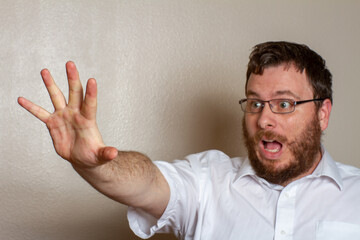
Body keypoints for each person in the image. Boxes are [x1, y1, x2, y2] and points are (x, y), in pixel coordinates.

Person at [18, 41, 360, 239]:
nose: (264, 119)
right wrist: (94, 163)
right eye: (255, 103)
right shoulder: (209, 180)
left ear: (322, 113)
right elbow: (149, 182)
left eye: (284, 104)